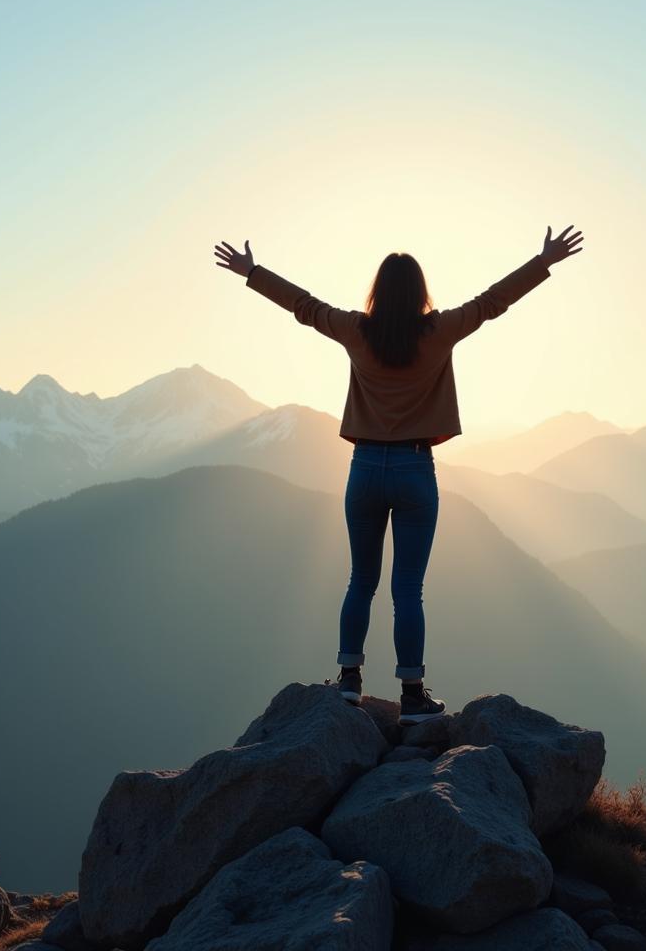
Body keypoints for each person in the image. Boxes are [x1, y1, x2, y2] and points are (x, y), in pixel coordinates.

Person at [213, 225, 584, 723]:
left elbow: (303, 305)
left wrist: (252, 273)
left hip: (364, 468)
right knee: (408, 589)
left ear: (377, 291)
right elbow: (493, 302)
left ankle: (348, 680)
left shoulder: (354, 331)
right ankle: (412, 695)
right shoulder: (440, 331)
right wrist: (543, 263)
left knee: (360, 579)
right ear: (419, 292)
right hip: (414, 468)